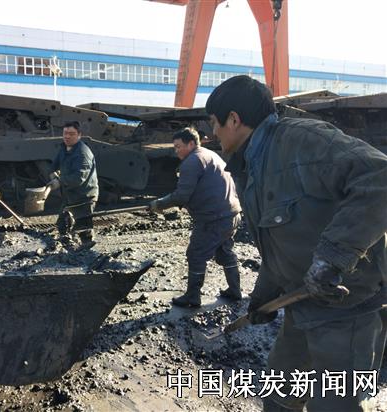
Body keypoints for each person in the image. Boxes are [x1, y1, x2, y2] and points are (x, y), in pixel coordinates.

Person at [205, 75, 387, 412]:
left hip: (346, 310)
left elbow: (380, 178)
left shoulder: (304, 142)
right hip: (302, 307)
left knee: (334, 406)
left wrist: (332, 257)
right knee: (278, 396)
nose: (213, 133)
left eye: (214, 123)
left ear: (234, 119)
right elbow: (279, 242)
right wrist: (263, 296)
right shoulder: (251, 166)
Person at [149, 127, 242, 307]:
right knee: (225, 252)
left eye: (178, 147)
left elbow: (181, 195)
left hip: (213, 218)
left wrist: (158, 204)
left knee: (196, 254)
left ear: (191, 144)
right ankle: (235, 290)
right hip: (231, 213)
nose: (176, 151)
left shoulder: (191, 161)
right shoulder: (210, 155)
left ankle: (192, 297)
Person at [49, 121, 99, 247]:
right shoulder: (64, 149)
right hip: (70, 195)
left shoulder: (82, 153)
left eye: (71, 134)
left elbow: (78, 178)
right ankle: (69, 250)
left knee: (84, 231)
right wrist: (52, 173)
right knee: (62, 226)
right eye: (65, 133)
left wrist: (59, 181)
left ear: (79, 135)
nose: (67, 136)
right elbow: (54, 165)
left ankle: (86, 253)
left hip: (84, 197)